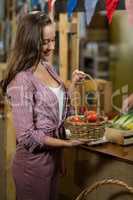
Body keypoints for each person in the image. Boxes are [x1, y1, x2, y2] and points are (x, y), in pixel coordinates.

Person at [1, 11, 88, 200]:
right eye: (44, 42)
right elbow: (27, 136)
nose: (51, 47)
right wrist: (67, 143)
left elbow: (59, 116)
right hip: (31, 168)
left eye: (53, 40)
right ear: (30, 41)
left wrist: (71, 86)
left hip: (53, 162)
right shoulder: (22, 80)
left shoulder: (48, 68)